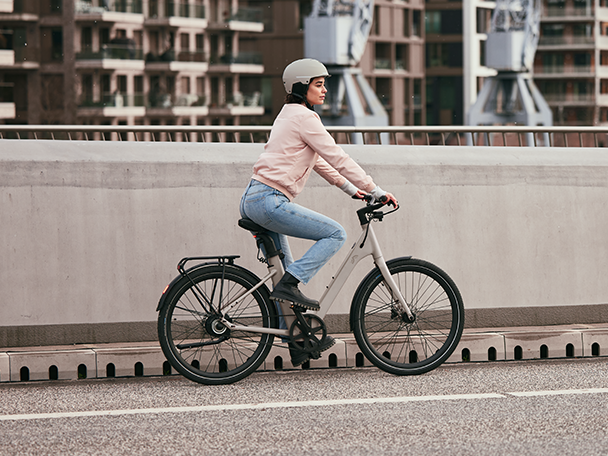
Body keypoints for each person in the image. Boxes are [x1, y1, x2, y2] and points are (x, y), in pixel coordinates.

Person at [239, 58, 398, 366]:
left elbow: (320, 162)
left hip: (257, 198)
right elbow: (337, 156)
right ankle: (290, 283)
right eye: (318, 84)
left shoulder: (290, 115)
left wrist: (354, 191)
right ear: (301, 87)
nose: (325, 90)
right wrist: (374, 188)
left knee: (283, 284)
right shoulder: (304, 117)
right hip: (269, 200)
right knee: (335, 233)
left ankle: (298, 341)